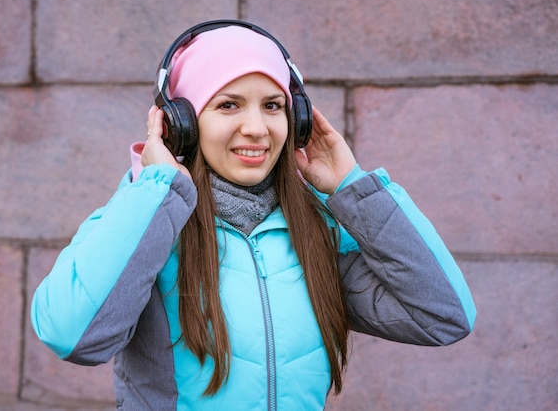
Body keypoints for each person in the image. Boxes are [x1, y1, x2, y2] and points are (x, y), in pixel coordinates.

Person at [31, 20, 476, 411]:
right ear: (180, 122)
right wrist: (156, 192)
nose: (257, 128)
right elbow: (73, 334)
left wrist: (354, 190)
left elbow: (444, 316)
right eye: (228, 104)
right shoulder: (144, 224)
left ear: (296, 119)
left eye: (273, 105)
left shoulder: (318, 232)